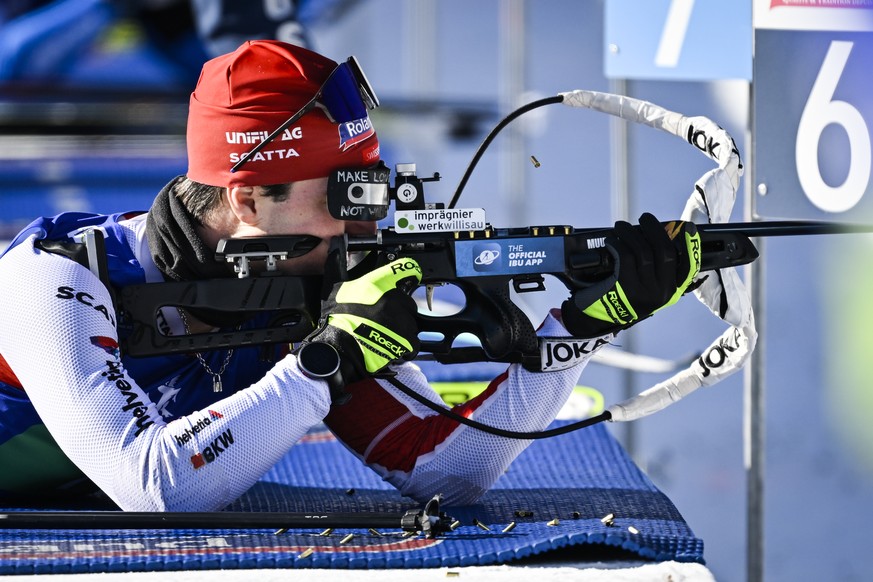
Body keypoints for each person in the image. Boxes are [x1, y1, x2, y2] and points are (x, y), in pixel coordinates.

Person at [0, 40, 701, 511]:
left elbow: (445, 472)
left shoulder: (314, 285)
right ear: (246, 199)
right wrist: (321, 366)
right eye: (340, 196)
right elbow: (152, 487)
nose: (363, 223)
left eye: (370, 189)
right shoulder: (56, 278)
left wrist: (577, 329)